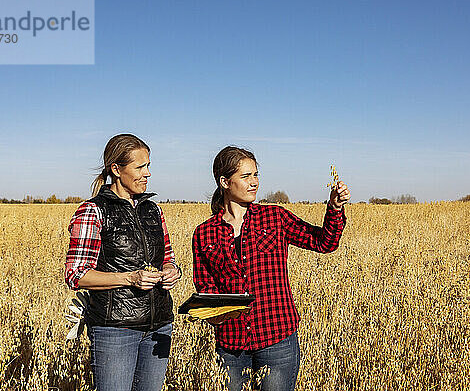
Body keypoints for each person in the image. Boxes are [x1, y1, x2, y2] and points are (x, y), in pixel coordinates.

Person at [192, 146, 350, 391]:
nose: (254, 182)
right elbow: (205, 286)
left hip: (276, 339)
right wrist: (215, 315)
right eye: (245, 176)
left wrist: (335, 208)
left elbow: (324, 242)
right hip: (231, 344)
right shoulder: (204, 233)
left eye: (255, 174)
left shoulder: (274, 218)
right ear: (224, 182)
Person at [65, 134, 182, 391]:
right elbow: (76, 275)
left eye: (148, 166)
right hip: (115, 329)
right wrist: (130, 277)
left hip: (159, 324)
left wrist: (172, 272)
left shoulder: (153, 210)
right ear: (116, 170)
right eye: (140, 167)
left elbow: (169, 259)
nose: (148, 173)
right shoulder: (92, 211)